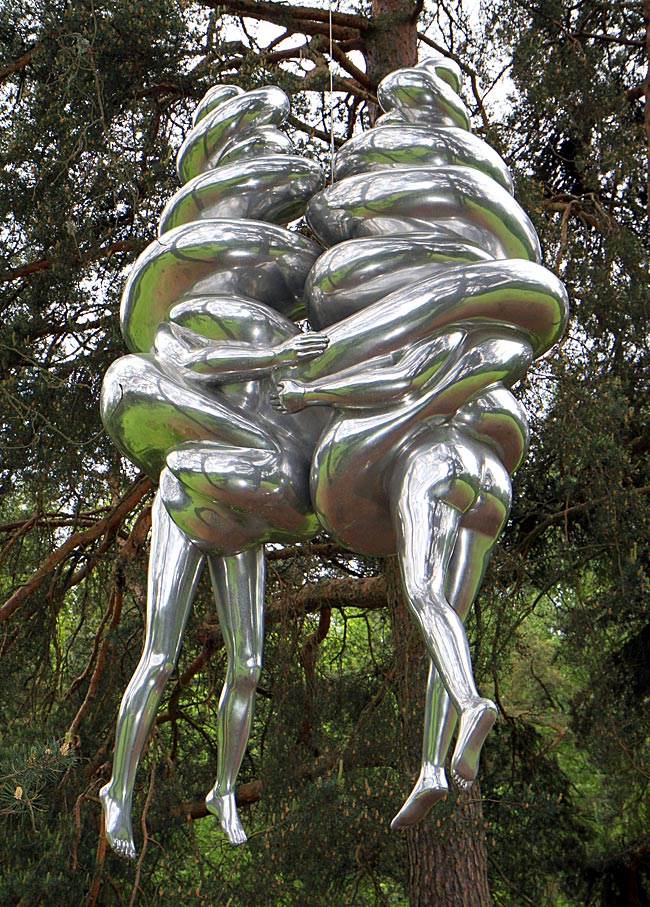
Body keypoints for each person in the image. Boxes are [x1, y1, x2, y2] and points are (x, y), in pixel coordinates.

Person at [99, 294, 329, 856]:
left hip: (242, 516)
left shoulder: (275, 342)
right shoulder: (186, 326)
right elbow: (194, 363)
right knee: (160, 657)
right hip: (187, 497)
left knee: (248, 664)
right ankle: (118, 791)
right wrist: (276, 355)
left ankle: (224, 790)